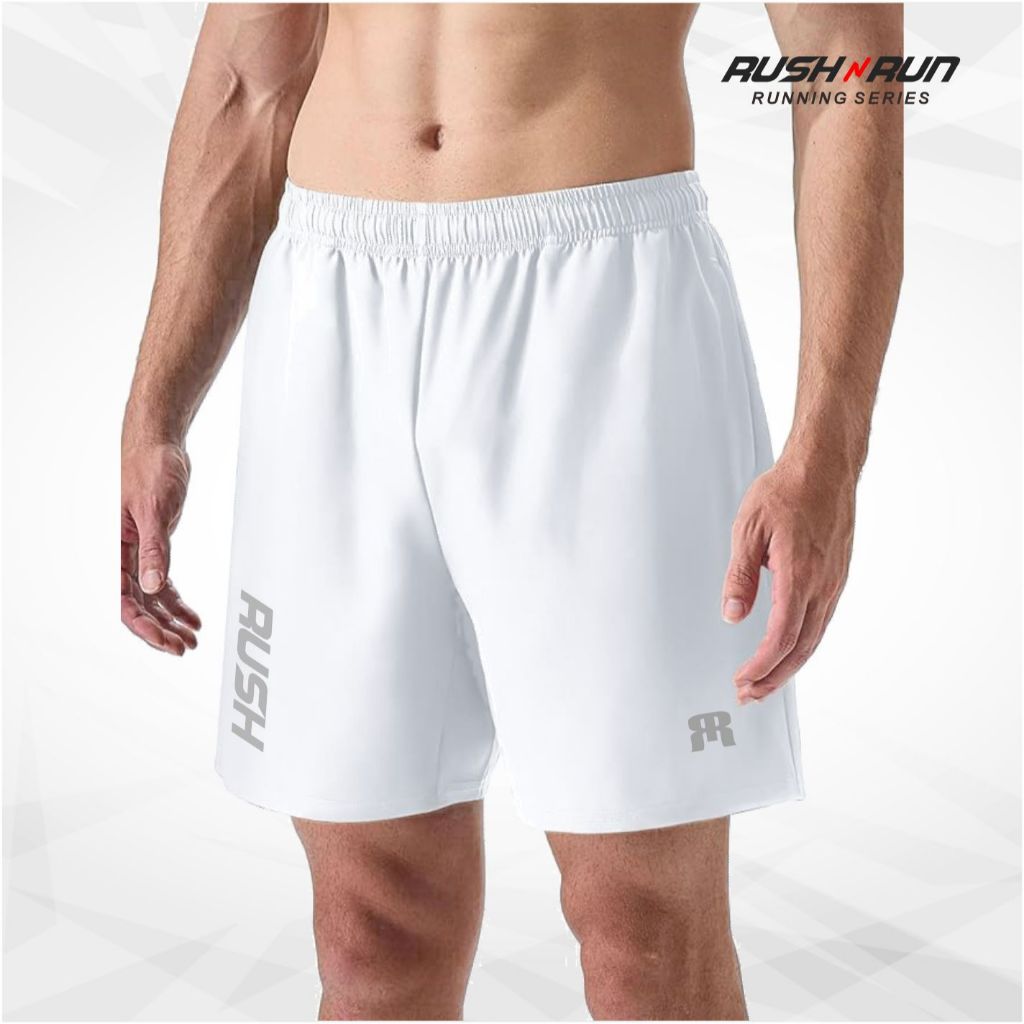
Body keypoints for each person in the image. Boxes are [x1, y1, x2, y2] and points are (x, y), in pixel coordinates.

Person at [120, 4, 903, 1019]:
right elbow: (246, 79)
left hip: (600, 303)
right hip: (333, 304)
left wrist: (828, 453)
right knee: (368, 933)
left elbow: (845, 58)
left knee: (641, 932)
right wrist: (157, 409)